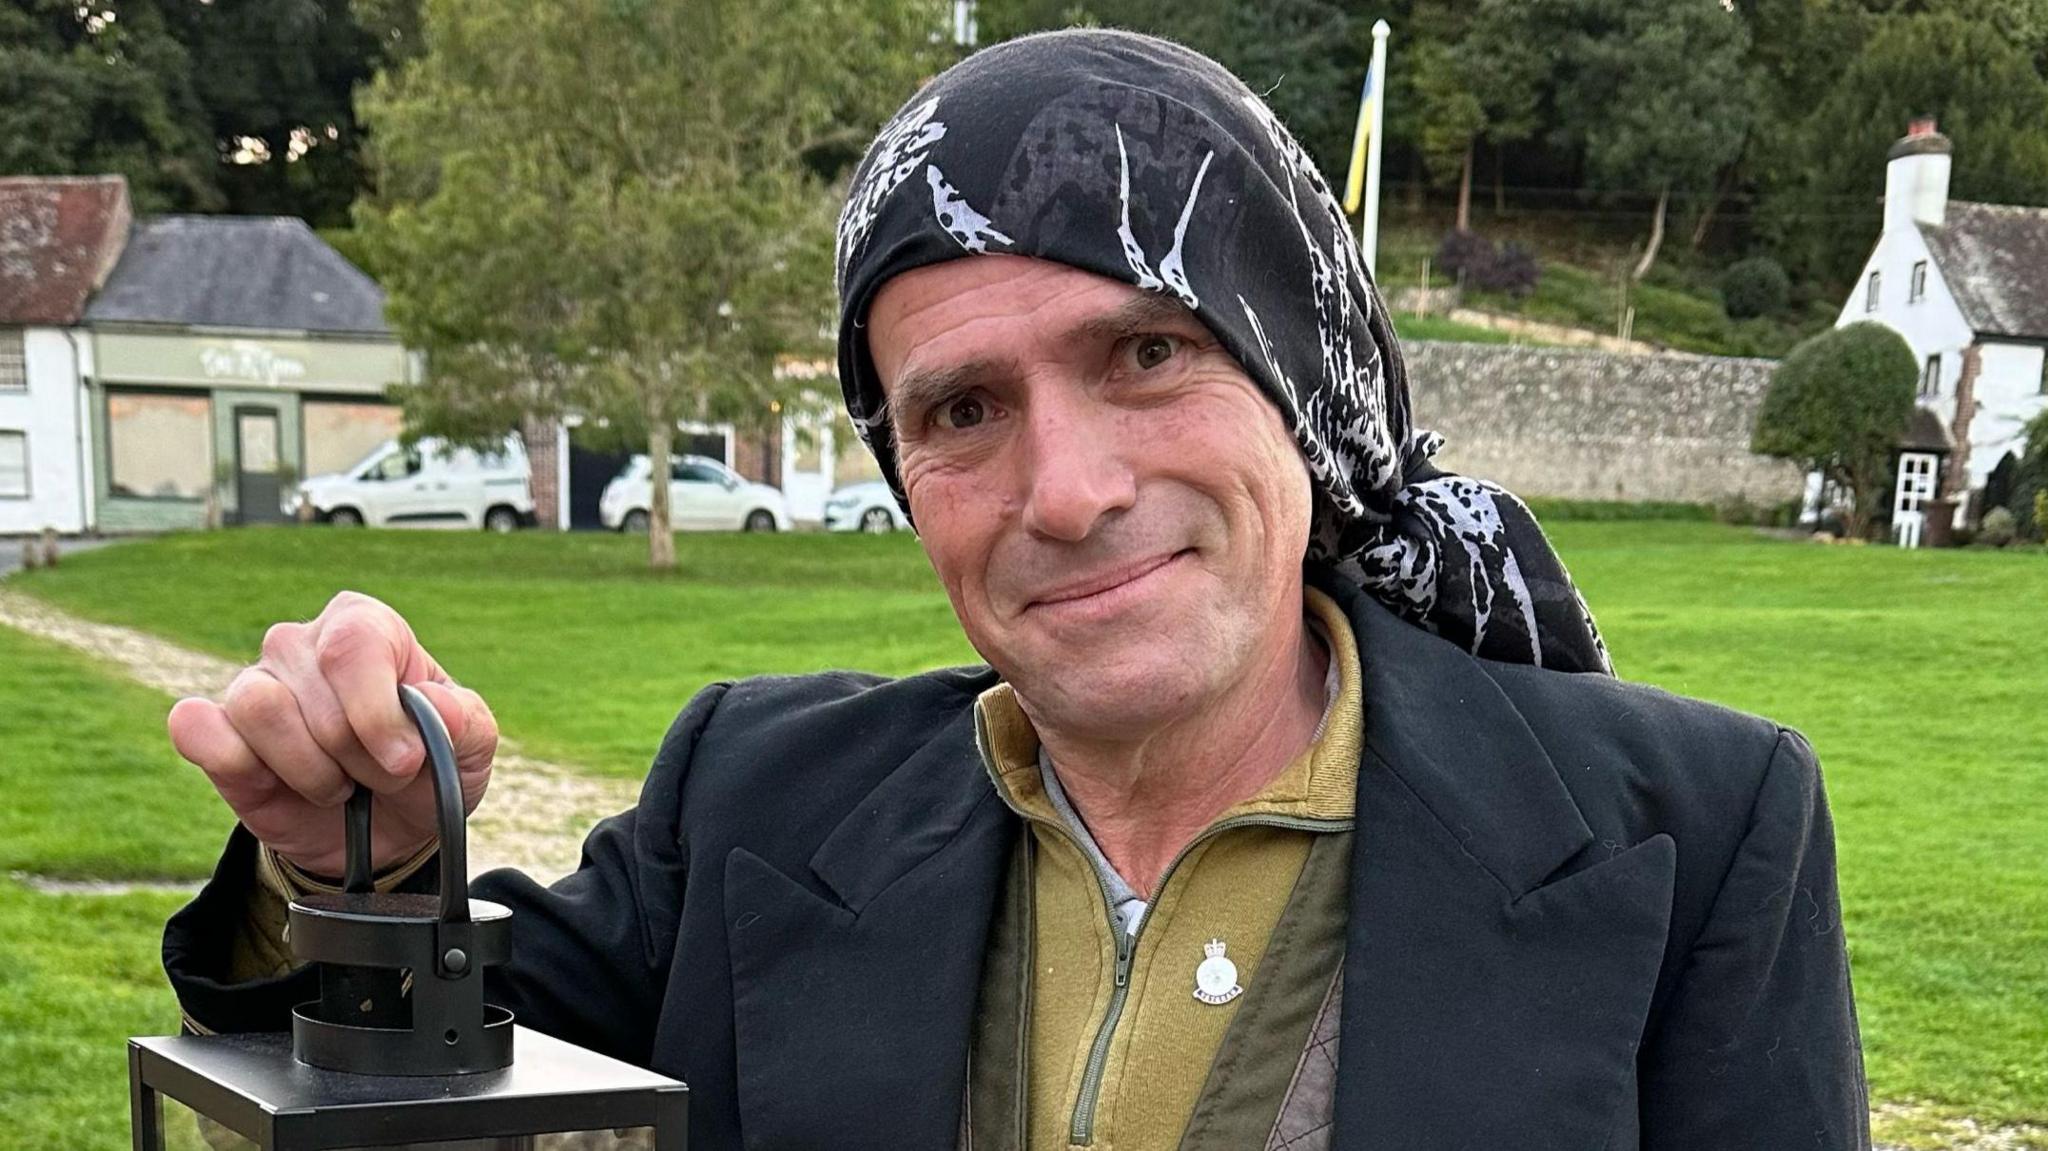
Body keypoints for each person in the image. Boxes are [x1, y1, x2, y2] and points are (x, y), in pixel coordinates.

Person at [162, 29, 1868, 1151]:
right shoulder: (758, 799)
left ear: (1301, 386)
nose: (1066, 491)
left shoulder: (1695, 835)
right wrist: (345, 852)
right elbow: (408, 1054)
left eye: (1146, 353)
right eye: (962, 410)